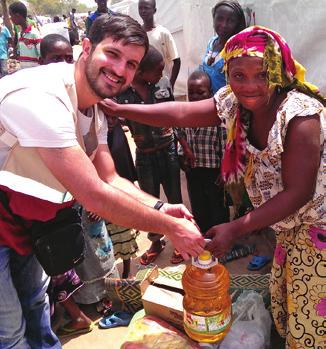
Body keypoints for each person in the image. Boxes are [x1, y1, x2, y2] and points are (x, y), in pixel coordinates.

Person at [0, 14, 204, 348]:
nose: (121, 70)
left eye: (132, 64)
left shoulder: (91, 106)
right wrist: (170, 227)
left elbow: (107, 177)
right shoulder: (41, 98)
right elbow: (94, 195)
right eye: (113, 54)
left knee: (37, 308)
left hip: (24, 220)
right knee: (6, 334)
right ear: (88, 48)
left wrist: (163, 207)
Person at [100, 25, 326, 349]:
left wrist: (236, 228)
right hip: (290, 226)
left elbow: (299, 192)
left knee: (311, 316)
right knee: (289, 299)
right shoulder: (235, 103)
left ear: (279, 70)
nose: (249, 86)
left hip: (317, 229)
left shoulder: (299, 116)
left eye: (262, 74)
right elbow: (180, 112)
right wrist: (122, 110)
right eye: (238, 75)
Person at [39, 34, 92, 338]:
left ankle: (81, 307)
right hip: (49, 200)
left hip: (70, 196)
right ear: (41, 61)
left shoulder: (79, 99)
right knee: (57, 261)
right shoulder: (41, 99)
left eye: (65, 59)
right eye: (53, 59)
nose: (60, 65)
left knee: (74, 252)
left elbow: (93, 151)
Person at [116, 46, 184, 265]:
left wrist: (184, 146)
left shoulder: (163, 84)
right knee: (150, 203)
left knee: (175, 199)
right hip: (144, 156)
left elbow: (175, 116)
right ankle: (156, 241)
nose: (162, 75)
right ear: (140, 72)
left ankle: (179, 242)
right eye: (157, 71)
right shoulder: (123, 92)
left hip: (168, 151)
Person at [178, 71, 229, 234]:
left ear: (211, 93)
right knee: (198, 205)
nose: (195, 97)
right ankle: (204, 235)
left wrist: (224, 171)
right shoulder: (185, 114)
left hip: (214, 171)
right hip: (193, 170)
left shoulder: (217, 117)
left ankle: (220, 237)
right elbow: (179, 133)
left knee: (217, 207)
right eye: (191, 92)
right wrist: (183, 153)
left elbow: (226, 145)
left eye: (201, 93)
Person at [106, 115, 139, 278]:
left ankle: (127, 270)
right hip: (100, 199)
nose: (110, 122)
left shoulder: (118, 139)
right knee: (106, 239)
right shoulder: (91, 141)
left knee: (125, 233)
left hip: (121, 196)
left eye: (113, 118)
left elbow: (127, 172)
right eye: (106, 118)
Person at [200, 0, 246, 95]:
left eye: (231, 21)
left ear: (237, 24)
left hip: (226, 106)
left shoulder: (237, 51)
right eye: (220, 18)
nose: (224, 25)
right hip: (208, 102)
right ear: (213, 19)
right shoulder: (212, 42)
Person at [138, 0, 181, 90]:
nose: (143, 11)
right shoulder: (138, 33)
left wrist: (170, 84)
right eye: (140, 8)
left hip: (162, 84)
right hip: (143, 85)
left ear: (154, 10)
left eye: (146, 8)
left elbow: (176, 61)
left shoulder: (163, 33)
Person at [9, 1, 41, 69]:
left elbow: (41, 56)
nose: (10, 18)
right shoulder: (20, 34)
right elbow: (22, 55)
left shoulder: (34, 34)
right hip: (24, 72)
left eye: (11, 15)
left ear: (17, 15)